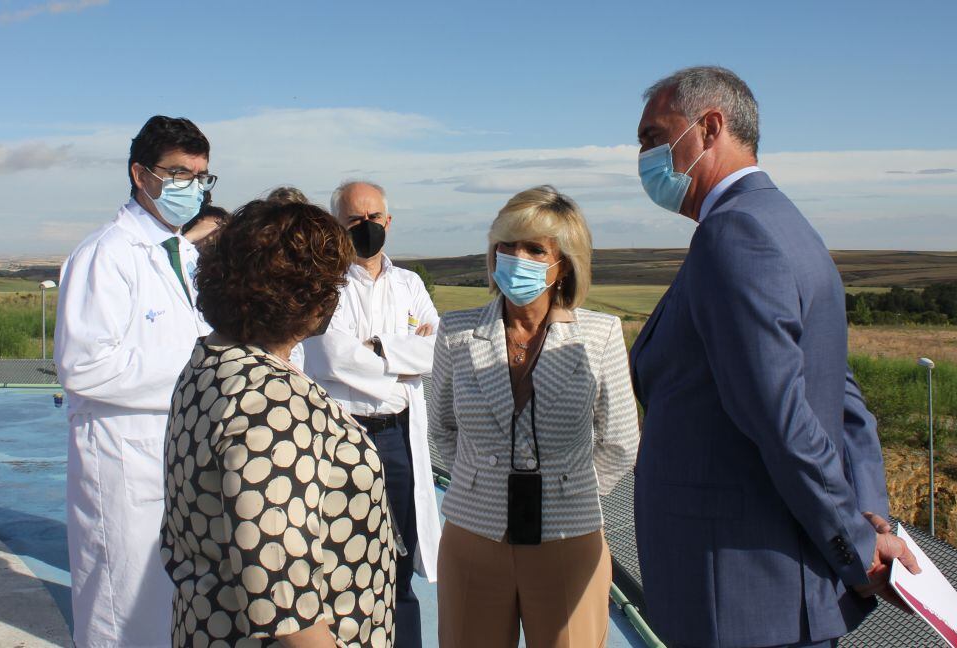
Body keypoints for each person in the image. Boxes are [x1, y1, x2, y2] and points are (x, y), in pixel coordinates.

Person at [630, 66, 920, 648]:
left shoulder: (733, 235)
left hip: (737, 596)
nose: (641, 157)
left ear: (709, 127)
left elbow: (779, 418)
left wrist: (858, 547)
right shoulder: (785, 224)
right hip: (768, 594)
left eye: (651, 137)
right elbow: (840, 392)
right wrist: (869, 512)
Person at [161, 199, 396, 648]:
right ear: (307, 295)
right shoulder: (271, 403)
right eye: (331, 285)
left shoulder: (211, 363)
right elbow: (283, 591)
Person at [429, 186, 640, 647]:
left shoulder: (600, 335)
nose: (514, 256)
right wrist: (478, 480)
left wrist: (568, 485)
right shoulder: (456, 333)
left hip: (569, 536)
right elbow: (441, 428)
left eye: (533, 248)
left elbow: (621, 440)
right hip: (473, 536)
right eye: (505, 244)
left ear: (562, 263)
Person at [54, 115, 216, 646]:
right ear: (141, 175)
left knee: (169, 606)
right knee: (120, 609)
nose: (192, 188)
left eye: (201, 177)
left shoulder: (185, 255)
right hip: (124, 464)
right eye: (179, 175)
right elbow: (84, 366)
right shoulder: (105, 254)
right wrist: (198, 369)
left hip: (175, 458)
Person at [300, 180, 440, 648]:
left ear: (388, 221)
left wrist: (376, 348)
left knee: (400, 559)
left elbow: (436, 350)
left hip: (397, 437)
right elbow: (330, 359)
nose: (366, 227)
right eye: (354, 220)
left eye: (373, 218)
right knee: (341, 551)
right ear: (338, 226)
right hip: (341, 435)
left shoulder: (410, 284)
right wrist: (402, 363)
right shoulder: (326, 284)